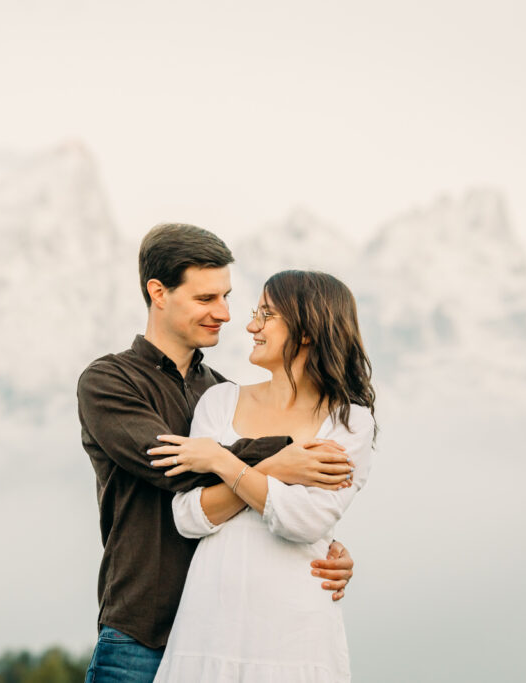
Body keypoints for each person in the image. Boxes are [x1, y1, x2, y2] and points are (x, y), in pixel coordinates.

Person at [77, 225, 358, 683]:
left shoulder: (225, 395)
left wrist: (322, 544)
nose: (225, 314)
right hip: (142, 636)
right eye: (207, 298)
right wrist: (278, 461)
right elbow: (174, 466)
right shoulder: (109, 381)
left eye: (227, 296)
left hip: (226, 637)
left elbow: (253, 499)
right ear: (158, 292)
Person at [147, 269, 377, 682]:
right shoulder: (220, 401)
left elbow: (305, 522)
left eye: (266, 315)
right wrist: (277, 469)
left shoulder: (349, 421)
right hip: (209, 626)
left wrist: (221, 462)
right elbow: (187, 516)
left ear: (306, 331)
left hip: (294, 634)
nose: (251, 325)